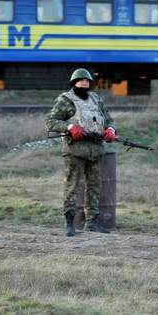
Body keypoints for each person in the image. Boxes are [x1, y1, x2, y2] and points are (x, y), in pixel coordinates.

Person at [45, 68, 116, 237]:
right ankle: (70, 223)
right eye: (81, 81)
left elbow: (108, 119)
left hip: (96, 150)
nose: (84, 84)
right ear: (74, 83)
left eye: (87, 81)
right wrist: (70, 127)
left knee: (94, 187)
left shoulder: (96, 99)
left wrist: (111, 129)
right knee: (72, 187)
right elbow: (51, 121)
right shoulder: (65, 100)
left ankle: (92, 222)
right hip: (75, 150)